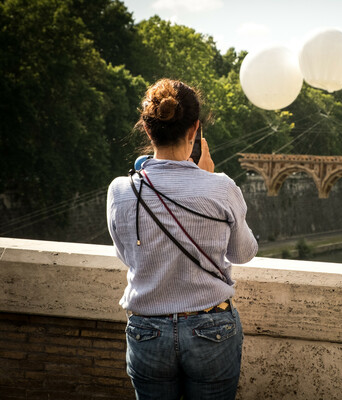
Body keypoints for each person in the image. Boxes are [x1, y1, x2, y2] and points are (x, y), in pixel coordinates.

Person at [106, 78, 258, 400]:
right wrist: (208, 178)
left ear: (148, 131)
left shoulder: (121, 190)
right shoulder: (221, 187)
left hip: (147, 329)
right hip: (212, 326)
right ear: (195, 130)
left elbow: (128, 255)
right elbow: (244, 253)